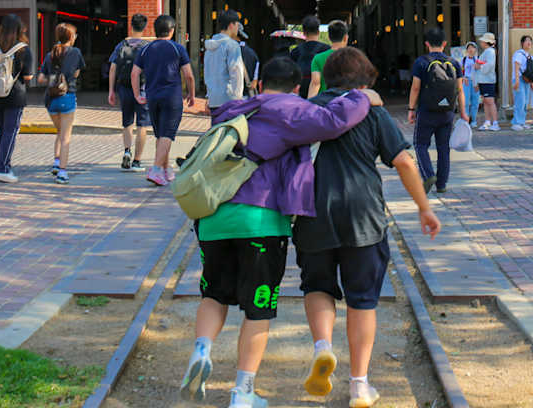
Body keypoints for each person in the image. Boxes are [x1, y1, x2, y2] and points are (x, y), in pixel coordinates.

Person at [179, 56, 375, 408]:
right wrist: (363, 96)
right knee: (258, 311)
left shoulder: (233, 109)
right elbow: (335, 120)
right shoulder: (293, 110)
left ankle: (201, 350)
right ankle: (242, 392)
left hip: (213, 217)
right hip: (261, 222)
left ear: (258, 83)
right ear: (297, 88)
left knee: (214, 295)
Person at [297, 47, 441, 408]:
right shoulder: (372, 112)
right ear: (362, 80)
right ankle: (359, 385)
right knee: (362, 300)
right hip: (363, 215)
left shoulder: (308, 111)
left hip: (312, 211)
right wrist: (424, 208)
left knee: (317, 285)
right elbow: (405, 163)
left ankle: (322, 349)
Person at [132, 14, 195, 186]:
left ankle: (166, 170)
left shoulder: (145, 49)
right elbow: (188, 75)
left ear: (154, 30)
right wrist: (191, 94)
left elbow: (134, 73)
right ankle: (156, 169)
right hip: (172, 97)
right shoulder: (178, 48)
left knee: (161, 134)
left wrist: (138, 94)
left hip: (152, 96)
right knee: (167, 134)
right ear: (172, 30)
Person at [407, 27, 468, 194]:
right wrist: (463, 112)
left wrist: (411, 109)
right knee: (443, 147)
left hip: (426, 111)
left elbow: (415, 88)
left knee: (420, 144)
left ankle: (428, 175)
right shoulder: (454, 62)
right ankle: (442, 184)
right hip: (447, 112)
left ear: (427, 44)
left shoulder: (421, 62)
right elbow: (460, 90)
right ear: (445, 43)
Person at [0, 14, 33, 183]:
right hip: (15, 95)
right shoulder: (23, 49)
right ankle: (3, 169)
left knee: (3, 131)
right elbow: (28, 77)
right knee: (10, 132)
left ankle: (1, 166)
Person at [39, 22, 85, 183]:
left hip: (51, 99)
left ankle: (56, 162)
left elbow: (40, 78)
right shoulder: (76, 52)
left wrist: (54, 78)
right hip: (68, 97)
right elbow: (77, 73)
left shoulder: (50, 54)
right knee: (65, 137)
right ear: (71, 37)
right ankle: (62, 172)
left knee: (59, 131)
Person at [108, 13, 151, 171]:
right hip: (141, 90)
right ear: (145, 27)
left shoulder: (121, 45)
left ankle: (127, 151)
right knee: (142, 125)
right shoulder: (147, 47)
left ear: (131, 26)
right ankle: (137, 161)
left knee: (127, 123)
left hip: (124, 88)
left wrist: (111, 91)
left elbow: (113, 68)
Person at [204, 9, 247, 118]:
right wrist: (238, 98)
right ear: (231, 25)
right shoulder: (232, 45)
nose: (238, 28)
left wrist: (208, 97)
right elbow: (236, 72)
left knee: (216, 132)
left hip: (213, 100)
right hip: (229, 100)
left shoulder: (209, 46)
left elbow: (207, 73)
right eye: (237, 24)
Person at [308, 19, 349, 98]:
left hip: (324, 103)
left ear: (329, 37)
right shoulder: (354, 58)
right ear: (345, 38)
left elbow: (315, 83)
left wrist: (309, 105)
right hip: (347, 103)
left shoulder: (318, 58)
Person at [290, 15, 330, 93]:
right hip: (321, 92)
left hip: (300, 91)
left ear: (304, 33)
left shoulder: (295, 51)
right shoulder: (327, 50)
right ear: (318, 32)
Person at [510, 35, 533, 131]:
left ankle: (522, 121)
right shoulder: (519, 54)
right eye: (527, 41)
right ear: (522, 43)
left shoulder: (528, 55)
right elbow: (516, 66)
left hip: (526, 81)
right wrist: (516, 80)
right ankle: (516, 122)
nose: (529, 43)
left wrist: (532, 82)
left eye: (530, 41)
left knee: (525, 102)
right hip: (519, 79)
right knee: (519, 101)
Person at [475, 33, 499, 131]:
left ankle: (495, 122)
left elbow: (490, 65)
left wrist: (479, 66)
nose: (481, 42)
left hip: (488, 80)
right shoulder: (488, 51)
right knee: (486, 101)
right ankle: (488, 121)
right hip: (484, 80)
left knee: (490, 101)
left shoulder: (490, 52)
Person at [459, 41, 481, 128]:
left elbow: (481, 72)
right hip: (466, 82)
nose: (471, 49)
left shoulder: (478, 60)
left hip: (475, 82)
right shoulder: (463, 60)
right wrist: (463, 78)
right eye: (469, 48)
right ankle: (466, 120)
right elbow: (459, 71)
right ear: (467, 50)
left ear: (475, 49)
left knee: (475, 102)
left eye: (473, 47)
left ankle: (474, 120)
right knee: (466, 102)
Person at [238, 24, 261, 97]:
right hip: (247, 94)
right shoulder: (252, 53)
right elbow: (255, 79)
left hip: (232, 95)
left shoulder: (230, 51)